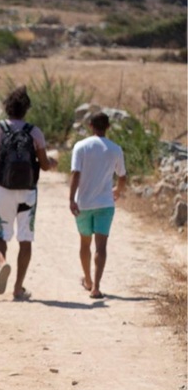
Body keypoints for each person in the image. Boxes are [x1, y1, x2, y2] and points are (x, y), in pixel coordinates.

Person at [0, 86, 56, 300]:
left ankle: (2, 263)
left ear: (7, 107)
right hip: (28, 192)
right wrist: (52, 163)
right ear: (26, 109)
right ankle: (18, 288)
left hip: (3, 190)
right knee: (25, 239)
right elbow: (45, 165)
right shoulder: (35, 132)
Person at [69, 112, 126, 299]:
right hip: (105, 204)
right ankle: (96, 287)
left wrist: (71, 198)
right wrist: (117, 191)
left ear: (90, 125)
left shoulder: (81, 147)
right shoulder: (115, 149)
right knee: (101, 246)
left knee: (85, 243)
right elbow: (122, 176)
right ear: (108, 127)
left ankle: (87, 279)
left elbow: (75, 174)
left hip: (83, 204)